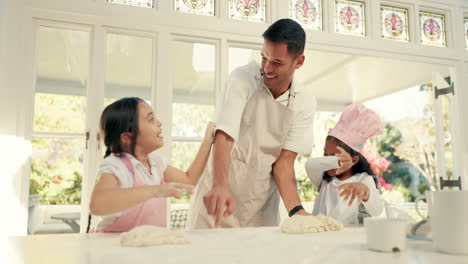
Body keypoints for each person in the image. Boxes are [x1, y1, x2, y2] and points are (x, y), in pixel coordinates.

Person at [188, 18, 316, 229]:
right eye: (264, 57)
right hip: (217, 199)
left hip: (260, 205)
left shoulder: (304, 101)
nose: (266, 67)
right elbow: (225, 134)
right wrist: (220, 185)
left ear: (299, 62)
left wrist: (296, 211)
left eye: (277, 62)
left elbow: (284, 163)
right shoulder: (243, 78)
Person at [88, 97, 215, 232]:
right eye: (151, 119)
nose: (159, 123)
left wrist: (207, 141)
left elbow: (189, 179)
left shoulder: (156, 163)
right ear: (127, 137)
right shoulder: (117, 165)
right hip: (114, 248)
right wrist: (156, 190)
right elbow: (97, 205)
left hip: (147, 248)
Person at [305, 103, 385, 225]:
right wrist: (335, 161)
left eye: (335, 156)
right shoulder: (324, 179)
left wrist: (366, 193)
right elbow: (309, 165)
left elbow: (377, 211)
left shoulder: (363, 179)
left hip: (347, 238)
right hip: (320, 238)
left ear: (354, 160)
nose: (329, 161)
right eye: (326, 154)